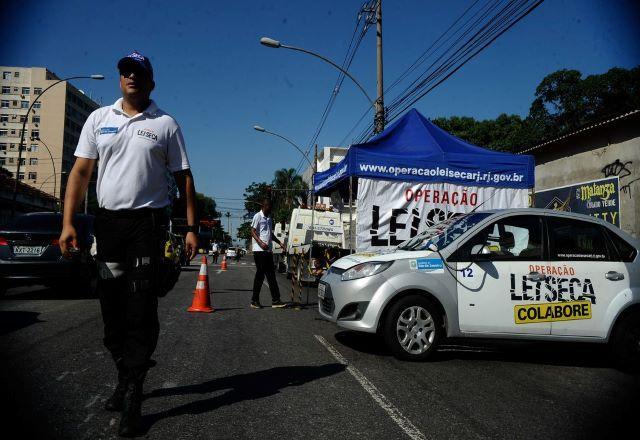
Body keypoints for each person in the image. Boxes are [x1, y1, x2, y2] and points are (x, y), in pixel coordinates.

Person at [59, 50, 198, 437]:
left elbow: (184, 177)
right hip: (108, 226)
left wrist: (191, 229)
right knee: (111, 310)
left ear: (150, 81)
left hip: (147, 226)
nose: (131, 77)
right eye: (125, 72)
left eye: (138, 72)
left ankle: (134, 391)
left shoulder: (165, 124)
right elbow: (81, 172)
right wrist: (68, 222)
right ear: (120, 79)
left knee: (140, 306)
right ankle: (125, 372)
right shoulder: (98, 119)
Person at [250, 199, 286, 309]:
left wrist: (280, 242)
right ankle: (254, 300)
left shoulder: (269, 218)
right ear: (264, 206)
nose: (270, 210)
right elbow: (252, 231)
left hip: (268, 250)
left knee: (271, 276)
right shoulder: (258, 216)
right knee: (260, 275)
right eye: (269, 208)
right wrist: (261, 243)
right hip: (259, 250)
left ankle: (276, 300)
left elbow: (271, 234)